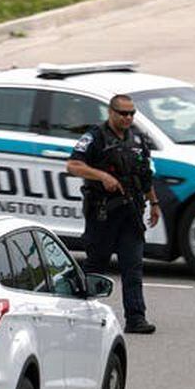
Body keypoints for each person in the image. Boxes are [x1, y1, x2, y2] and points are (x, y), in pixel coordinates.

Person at [66, 94, 161, 335]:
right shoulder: (95, 137)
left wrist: (154, 203)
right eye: (123, 113)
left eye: (132, 114)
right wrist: (103, 176)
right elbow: (73, 165)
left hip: (131, 213)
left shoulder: (138, 138)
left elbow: (145, 175)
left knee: (133, 267)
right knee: (96, 266)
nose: (128, 118)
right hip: (103, 214)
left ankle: (136, 317)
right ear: (111, 112)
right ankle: (78, 314)